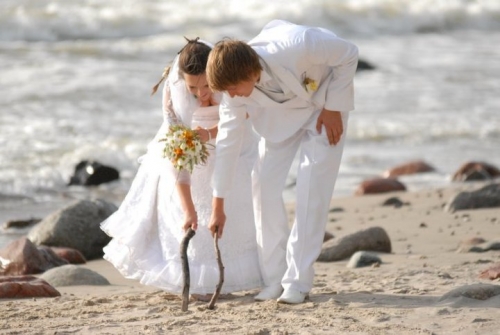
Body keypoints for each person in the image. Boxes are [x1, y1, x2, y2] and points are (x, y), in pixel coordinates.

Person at [206, 20, 358, 304]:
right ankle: (274, 279)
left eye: (234, 89)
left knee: (311, 190)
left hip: (323, 107)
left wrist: (334, 106)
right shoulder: (232, 91)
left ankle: (297, 283)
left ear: (251, 72)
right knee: (262, 187)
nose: (231, 96)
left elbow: (349, 53)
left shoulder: (301, 43)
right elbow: (228, 141)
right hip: (277, 121)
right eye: (225, 92)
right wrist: (218, 204)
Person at [101, 38, 263, 298]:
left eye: (207, 85)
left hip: (234, 145)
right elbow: (178, 154)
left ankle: (237, 275)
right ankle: (199, 283)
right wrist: (188, 210)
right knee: (193, 212)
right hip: (189, 154)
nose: (201, 94)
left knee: (235, 207)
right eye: (192, 88)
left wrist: (209, 134)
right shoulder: (174, 95)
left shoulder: (227, 77)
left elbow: (240, 119)